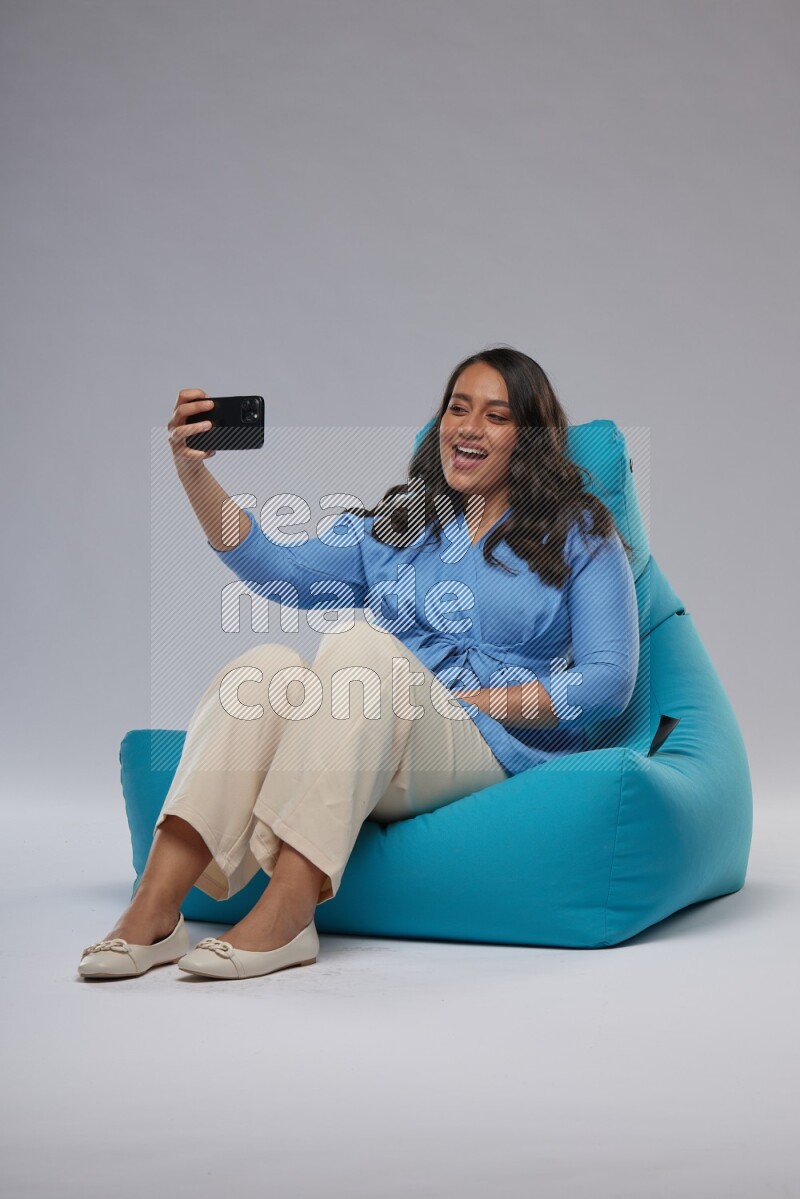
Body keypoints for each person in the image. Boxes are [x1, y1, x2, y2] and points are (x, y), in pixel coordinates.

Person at [77, 346, 639, 981]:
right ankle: (154, 911)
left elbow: (607, 681)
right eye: (458, 408)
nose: (468, 427)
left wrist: (475, 703)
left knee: (361, 647)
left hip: (481, 742)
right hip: (375, 727)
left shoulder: (583, 536)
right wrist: (192, 473)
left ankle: (288, 911)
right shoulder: (402, 526)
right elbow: (278, 567)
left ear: (529, 439)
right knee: (260, 670)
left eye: (496, 416)